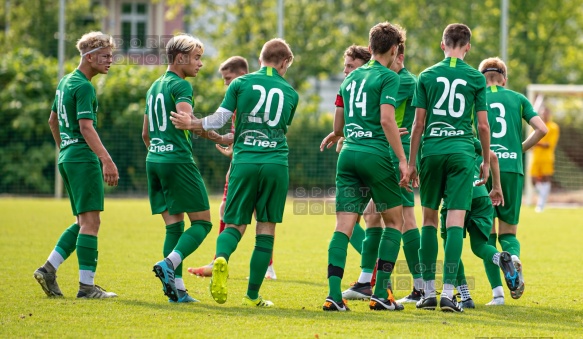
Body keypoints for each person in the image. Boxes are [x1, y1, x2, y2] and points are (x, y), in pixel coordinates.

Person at [171, 38, 299, 307]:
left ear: (261, 57)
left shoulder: (240, 84)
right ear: (284, 62)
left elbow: (219, 118)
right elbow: (278, 127)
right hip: (276, 163)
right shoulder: (291, 93)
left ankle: (221, 259)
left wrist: (192, 123)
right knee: (265, 229)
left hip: (244, 162)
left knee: (235, 225)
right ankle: (252, 296)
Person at [320, 22, 407, 312]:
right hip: (375, 156)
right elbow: (386, 120)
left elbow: (338, 124)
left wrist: (337, 134)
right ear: (394, 50)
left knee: (343, 226)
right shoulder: (388, 77)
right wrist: (404, 159)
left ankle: (334, 295)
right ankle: (381, 293)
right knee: (395, 221)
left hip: (348, 154)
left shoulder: (350, 78)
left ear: (369, 49)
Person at [407, 23, 491, 313]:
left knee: (429, 221)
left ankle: (428, 293)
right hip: (461, 153)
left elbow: (418, 124)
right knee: (455, 222)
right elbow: (482, 124)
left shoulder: (426, 75)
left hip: (431, 151)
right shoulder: (475, 78)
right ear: (467, 47)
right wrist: (487, 159)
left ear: (442, 45)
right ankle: (448, 294)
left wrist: (411, 163)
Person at [33, 31, 118, 299]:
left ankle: (48, 269)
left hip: (68, 157)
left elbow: (52, 120)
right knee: (91, 223)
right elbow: (85, 126)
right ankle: (87, 287)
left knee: (82, 221)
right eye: (105, 56)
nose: (110, 61)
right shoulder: (84, 86)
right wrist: (106, 159)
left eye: (111, 56)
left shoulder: (65, 82)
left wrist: (65, 148)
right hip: (82, 158)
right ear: (89, 57)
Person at [145, 34, 229, 303]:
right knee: (203, 223)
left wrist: (159, 153)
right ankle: (169, 263)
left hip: (154, 160)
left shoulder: (154, 86)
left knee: (174, 227)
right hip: (177, 161)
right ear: (180, 58)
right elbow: (187, 121)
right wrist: (219, 136)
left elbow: (145, 133)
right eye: (196, 57)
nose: (200, 64)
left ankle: (177, 291)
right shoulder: (181, 86)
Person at [478, 57, 548, 304]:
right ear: (504, 78)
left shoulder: (476, 97)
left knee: (486, 235)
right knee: (509, 232)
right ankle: (513, 257)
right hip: (512, 169)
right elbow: (542, 129)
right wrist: (518, 150)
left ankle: (497, 295)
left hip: (483, 168)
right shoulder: (518, 98)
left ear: (481, 77)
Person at [439, 141, 521, 309]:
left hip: (457, 196)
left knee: (450, 245)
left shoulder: (434, 142)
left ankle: (465, 296)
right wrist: (496, 186)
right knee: (479, 245)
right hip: (481, 195)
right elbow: (493, 156)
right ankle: (500, 259)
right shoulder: (469, 139)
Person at [530, 106, 560, 213]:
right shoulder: (536, 126)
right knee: (533, 180)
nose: (544, 115)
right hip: (536, 157)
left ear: (549, 114)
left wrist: (536, 142)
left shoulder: (553, 127)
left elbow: (548, 144)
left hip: (547, 158)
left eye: (546, 113)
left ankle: (541, 204)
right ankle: (543, 199)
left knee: (546, 179)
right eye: (542, 113)